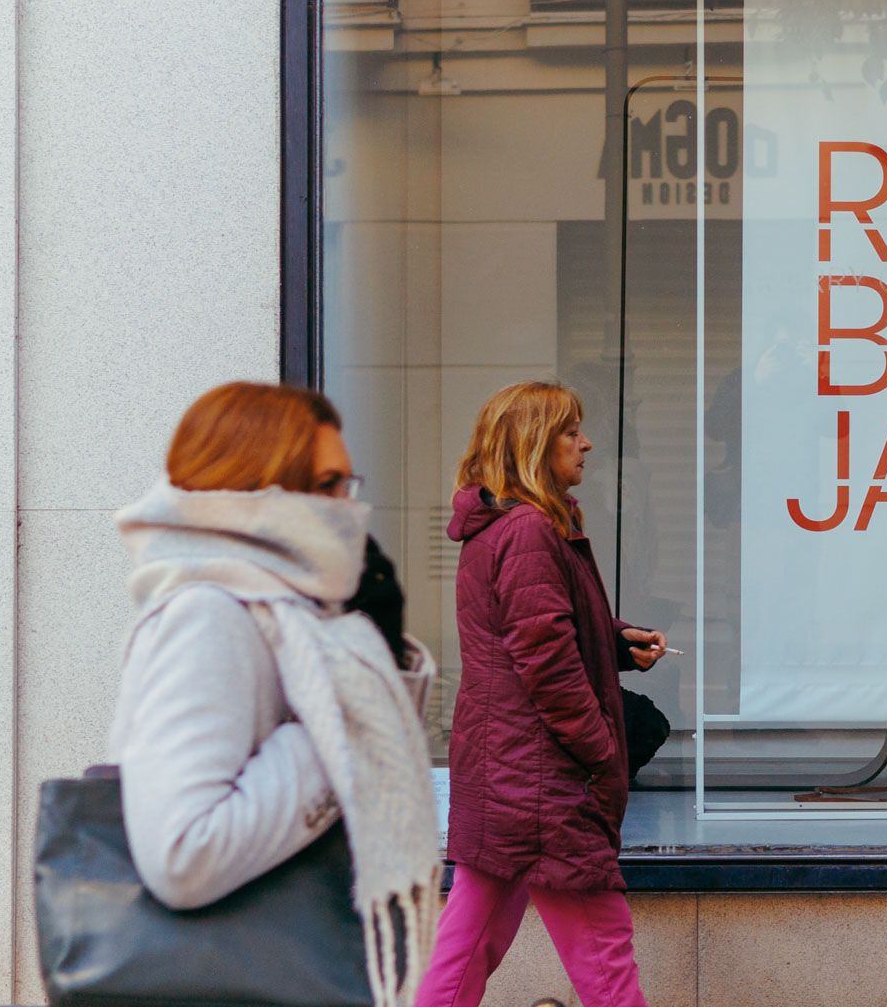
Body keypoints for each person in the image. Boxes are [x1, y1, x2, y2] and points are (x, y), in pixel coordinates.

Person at [109, 381, 442, 1007]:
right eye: (326, 486)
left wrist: (379, 657)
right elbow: (183, 855)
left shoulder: (283, 609)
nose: (349, 507)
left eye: (349, 485)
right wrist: (342, 722)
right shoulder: (210, 614)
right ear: (261, 489)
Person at [417, 381, 667, 1007]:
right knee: (606, 963)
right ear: (531, 444)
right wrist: (602, 750)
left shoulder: (509, 527)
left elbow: (533, 632)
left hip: (504, 775)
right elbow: (547, 665)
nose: (585, 443)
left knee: (466, 949)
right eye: (569, 431)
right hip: (544, 785)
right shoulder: (529, 531)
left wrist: (614, 642)